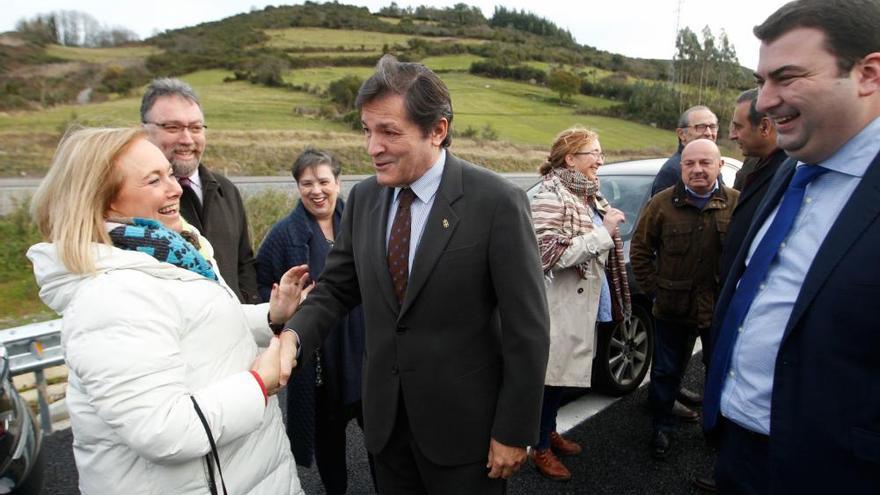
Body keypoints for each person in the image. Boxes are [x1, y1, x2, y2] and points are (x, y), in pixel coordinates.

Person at [282, 55, 551, 494]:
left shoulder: (496, 202)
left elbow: (529, 329)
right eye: (367, 131)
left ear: (438, 130)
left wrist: (515, 429)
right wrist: (291, 338)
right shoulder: (366, 199)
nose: (372, 147)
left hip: (466, 434)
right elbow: (335, 288)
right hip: (386, 428)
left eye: (389, 132)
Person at [26, 127, 309, 494]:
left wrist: (271, 316)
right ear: (104, 200)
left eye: (170, 174)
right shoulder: (112, 295)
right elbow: (165, 430)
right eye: (153, 180)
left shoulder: (166, 257)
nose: (175, 188)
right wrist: (259, 384)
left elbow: (200, 329)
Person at [702, 1, 880, 492]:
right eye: (761, 80)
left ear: (867, 73)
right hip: (740, 448)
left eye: (786, 78)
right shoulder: (790, 170)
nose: (763, 101)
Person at [256, 148, 372, 494]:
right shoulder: (282, 236)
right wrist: (287, 311)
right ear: (298, 187)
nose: (316, 190)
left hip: (366, 353)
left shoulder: (361, 221)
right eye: (307, 183)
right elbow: (265, 291)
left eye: (324, 181)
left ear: (338, 182)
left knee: (384, 441)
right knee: (329, 442)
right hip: (321, 363)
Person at [631, 139, 739, 460]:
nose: (697, 169)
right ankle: (663, 428)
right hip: (672, 309)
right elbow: (640, 252)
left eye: (705, 162)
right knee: (665, 372)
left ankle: (716, 428)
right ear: (681, 167)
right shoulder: (661, 205)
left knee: (719, 370)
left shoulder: (737, 204)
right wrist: (656, 291)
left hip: (719, 309)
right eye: (690, 163)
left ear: (719, 165)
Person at [529, 127, 626, 481]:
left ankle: (549, 431)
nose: (600, 160)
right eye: (593, 154)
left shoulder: (584, 193)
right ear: (570, 159)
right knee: (549, 378)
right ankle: (538, 446)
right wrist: (604, 233)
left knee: (560, 377)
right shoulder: (551, 195)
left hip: (579, 301)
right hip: (557, 306)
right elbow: (547, 254)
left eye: (601, 153)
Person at [141, 77, 260, 304]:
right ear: (144, 131)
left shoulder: (227, 191)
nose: (187, 139)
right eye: (173, 127)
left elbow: (243, 263)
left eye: (196, 128)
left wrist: (249, 309)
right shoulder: (133, 198)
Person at [722, 88, 788, 281]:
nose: (733, 136)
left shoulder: (788, 177)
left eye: (738, 127)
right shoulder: (755, 162)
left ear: (765, 127)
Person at [651, 106, 719, 197]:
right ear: (682, 134)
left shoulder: (714, 165)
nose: (709, 133)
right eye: (701, 127)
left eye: (712, 127)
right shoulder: (672, 172)